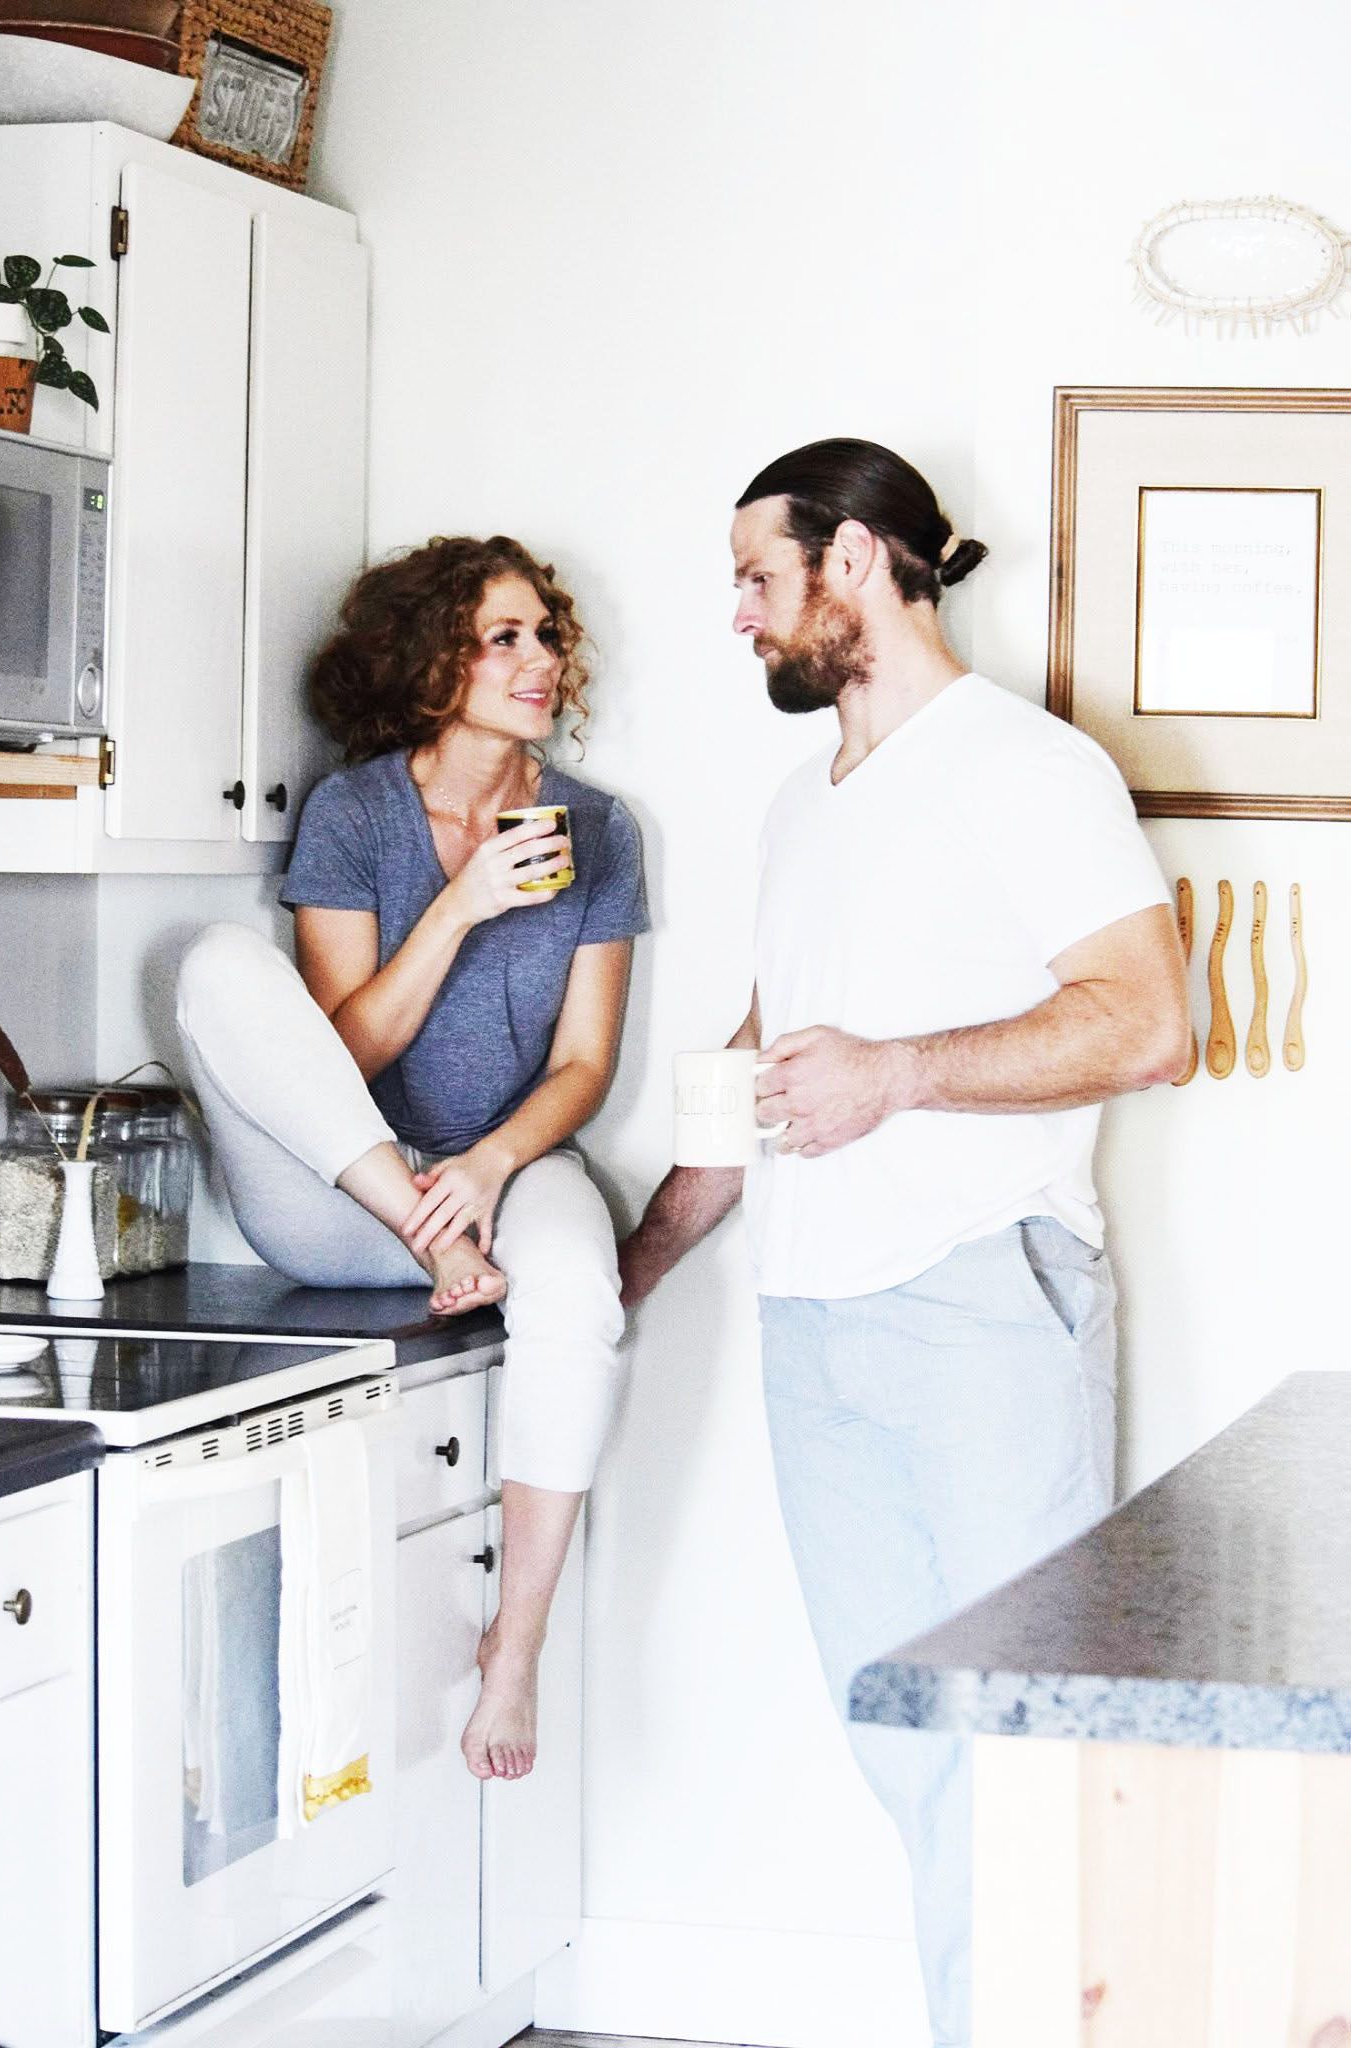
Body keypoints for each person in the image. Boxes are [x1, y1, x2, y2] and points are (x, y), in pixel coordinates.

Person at [617, 439, 1190, 2047]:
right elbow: (757, 1060)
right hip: (815, 1323)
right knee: (916, 1754)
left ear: (854, 561)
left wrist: (898, 1073)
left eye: (755, 575)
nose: (737, 614)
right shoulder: (806, 801)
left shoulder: (1027, 768)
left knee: (1025, 1757)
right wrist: (632, 1266)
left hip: (980, 1307)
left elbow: (1150, 1026)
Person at [176, 533, 648, 1784]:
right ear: (430, 658)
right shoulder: (355, 812)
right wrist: (463, 903)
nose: (539, 658)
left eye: (545, 634)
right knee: (215, 969)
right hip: (354, 1193)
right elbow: (340, 1055)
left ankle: (517, 1648)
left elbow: (584, 1065)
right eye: (504, 637)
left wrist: (490, 1167)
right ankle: (438, 1233)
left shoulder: (598, 833)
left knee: (583, 1296)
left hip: (497, 1167)